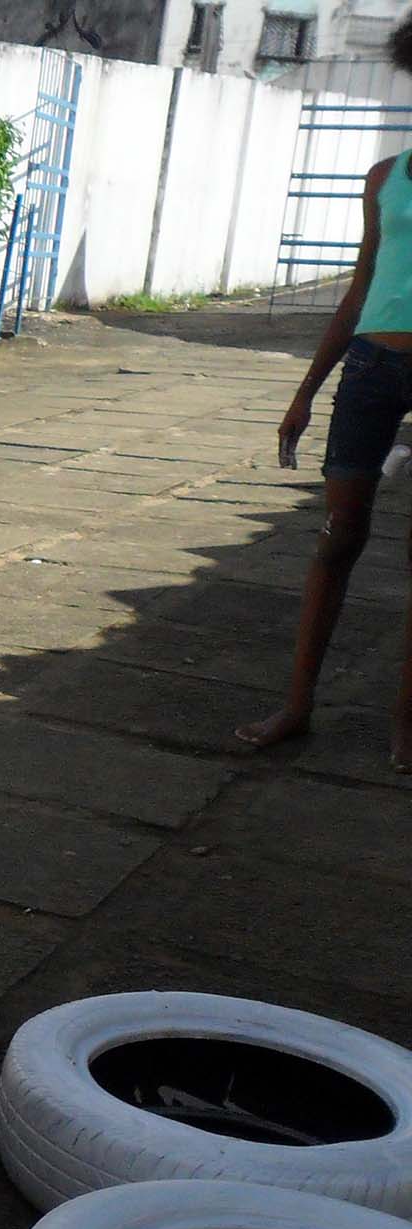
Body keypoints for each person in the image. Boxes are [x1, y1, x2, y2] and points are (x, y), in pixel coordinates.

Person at [243, 22, 412, 773]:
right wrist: (306, 391)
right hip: (372, 369)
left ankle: (405, 722)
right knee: (337, 537)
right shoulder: (387, 178)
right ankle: (298, 703)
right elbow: (360, 289)